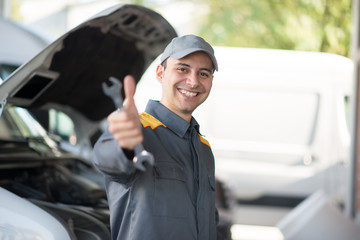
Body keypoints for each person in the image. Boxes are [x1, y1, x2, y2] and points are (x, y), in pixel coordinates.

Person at [92, 34, 221, 240]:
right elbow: (106, 158)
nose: (193, 81)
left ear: (211, 81)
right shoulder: (139, 130)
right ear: (160, 73)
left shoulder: (203, 147)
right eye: (182, 69)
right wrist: (123, 144)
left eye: (203, 73)